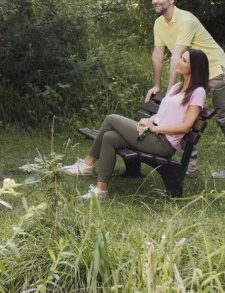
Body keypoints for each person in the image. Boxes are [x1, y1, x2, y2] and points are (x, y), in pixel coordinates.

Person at [61, 48, 209, 199]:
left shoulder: (198, 92)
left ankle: (87, 164)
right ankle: (101, 190)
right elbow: (164, 113)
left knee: (111, 118)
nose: (178, 61)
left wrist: (156, 129)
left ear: (195, 67)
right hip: (153, 135)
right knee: (110, 137)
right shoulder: (177, 87)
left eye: (184, 60)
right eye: (181, 58)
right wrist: (149, 120)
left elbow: (186, 126)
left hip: (164, 143)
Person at [146, 0, 225, 178]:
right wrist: (157, 85)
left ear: (172, 0)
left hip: (216, 70)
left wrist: (170, 89)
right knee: (180, 113)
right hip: (194, 73)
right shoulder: (159, 23)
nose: (155, 0)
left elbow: (176, 56)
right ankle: (190, 167)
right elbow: (158, 55)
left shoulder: (186, 20)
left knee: (223, 118)